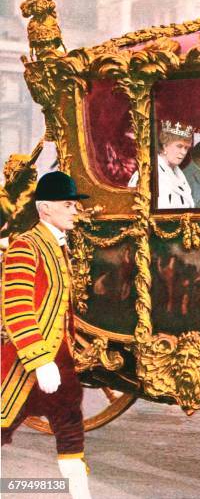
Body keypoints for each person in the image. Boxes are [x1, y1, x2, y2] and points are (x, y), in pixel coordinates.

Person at [1, 171, 92, 499]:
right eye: (68, 205)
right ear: (45, 209)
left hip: (61, 363)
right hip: (23, 366)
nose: (74, 211)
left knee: (71, 431)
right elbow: (16, 307)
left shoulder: (59, 246)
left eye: (74, 205)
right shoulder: (26, 246)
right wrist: (40, 361)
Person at [128, 120, 194, 209]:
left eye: (186, 148)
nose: (183, 152)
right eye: (179, 146)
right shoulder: (147, 174)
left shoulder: (180, 175)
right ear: (165, 145)